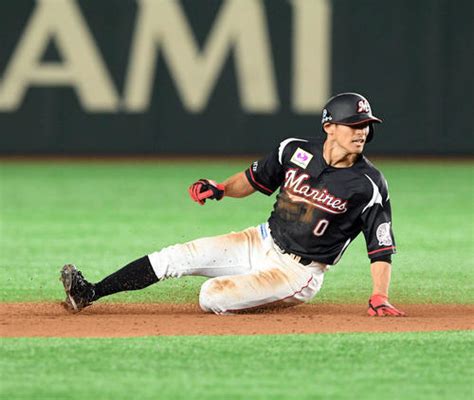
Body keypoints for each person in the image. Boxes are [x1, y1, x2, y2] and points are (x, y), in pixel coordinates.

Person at [60, 92, 405, 317]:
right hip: (260, 239)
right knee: (175, 256)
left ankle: (263, 291)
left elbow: (381, 248)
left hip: (298, 271)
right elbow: (253, 180)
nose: (361, 132)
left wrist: (379, 295)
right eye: (354, 125)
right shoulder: (293, 150)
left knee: (212, 296)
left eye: (366, 126)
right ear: (329, 127)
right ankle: (90, 292)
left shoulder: (368, 184)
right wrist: (221, 188)